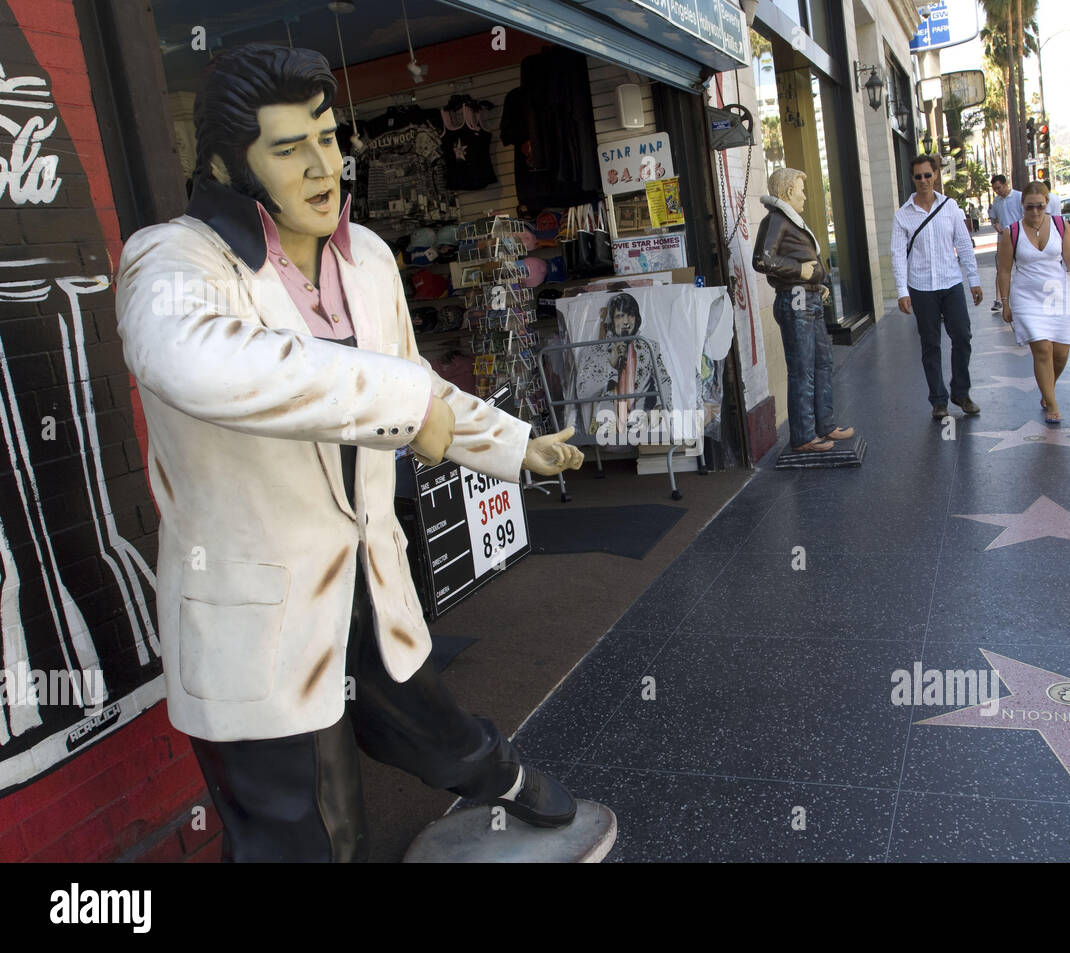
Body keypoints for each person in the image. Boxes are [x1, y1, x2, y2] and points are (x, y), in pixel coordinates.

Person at [114, 45, 587, 861]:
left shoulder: (365, 257)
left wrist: (512, 443)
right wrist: (405, 406)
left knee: (435, 726)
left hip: (369, 584)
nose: (322, 167)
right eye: (288, 148)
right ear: (230, 163)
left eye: (327, 139)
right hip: (258, 618)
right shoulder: (173, 258)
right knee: (303, 832)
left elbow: (418, 385)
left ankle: (500, 779)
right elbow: (197, 360)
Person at [753, 167, 854, 451]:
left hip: (806, 297)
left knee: (822, 362)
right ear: (787, 193)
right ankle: (803, 436)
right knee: (803, 369)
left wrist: (814, 284)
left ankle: (825, 425)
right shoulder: (775, 220)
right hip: (795, 300)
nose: (805, 196)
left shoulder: (789, 221)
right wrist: (801, 271)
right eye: (800, 190)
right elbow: (762, 260)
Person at [891, 154, 984, 420]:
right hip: (921, 287)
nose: (923, 180)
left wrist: (974, 281)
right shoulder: (903, 215)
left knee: (962, 337)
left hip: (951, 283)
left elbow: (964, 244)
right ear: (913, 178)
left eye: (927, 175)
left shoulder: (950, 207)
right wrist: (902, 291)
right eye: (918, 176)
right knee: (930, 344)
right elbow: (897, 254)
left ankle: (961, 393)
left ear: (935, 175)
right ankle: (938, 400)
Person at [995, 181, 1070, 423]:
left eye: (1040, 206)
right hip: (1026, 297)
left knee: (1061, 353)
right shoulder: (1012, 232)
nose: (1035, 212)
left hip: (1056, 295)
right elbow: (1004, 270)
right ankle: (1052, 403)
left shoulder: (1061, 225)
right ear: (1022, 206)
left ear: (1047, 204)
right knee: (1042, 349)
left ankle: (1047, 389)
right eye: (1030, 207)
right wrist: (1005, 302)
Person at [572, 292, 674, 435]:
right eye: (620, 316)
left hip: (643, 423)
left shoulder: (649, 347)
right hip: (606, 425)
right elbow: (584, 393)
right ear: (611, 321)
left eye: (630, 315)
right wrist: (610, 366)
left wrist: (660, 407)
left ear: (636, 318)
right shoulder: (594, 350)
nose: (626, 321)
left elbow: (663, 381)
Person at [989, 174, 1024, 312]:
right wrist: (996, 224)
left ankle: (1021, 295)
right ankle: (999, 299)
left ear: (1005, 184)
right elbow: (994, 218)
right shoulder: (996, 201)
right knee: (1001, 269)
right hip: (1003, 239)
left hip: (1019, 237)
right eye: (995, 189)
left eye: (999, 187)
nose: (997, 191)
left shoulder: (1019, 197)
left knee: (1021, 266)